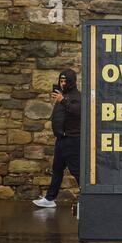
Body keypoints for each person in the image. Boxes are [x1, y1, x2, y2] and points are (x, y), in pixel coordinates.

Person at [33, 69, 81, 208]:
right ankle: (49, 199)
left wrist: (63, 100)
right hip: (61, 140)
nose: (63, 83)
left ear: (72, 82)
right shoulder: (63, 95)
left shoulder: (76, 96)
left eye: (66, 81)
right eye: (61, 81)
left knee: (76, 170)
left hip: (72, 140)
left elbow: (77, 111)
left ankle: (87, 197)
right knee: (57, 169)